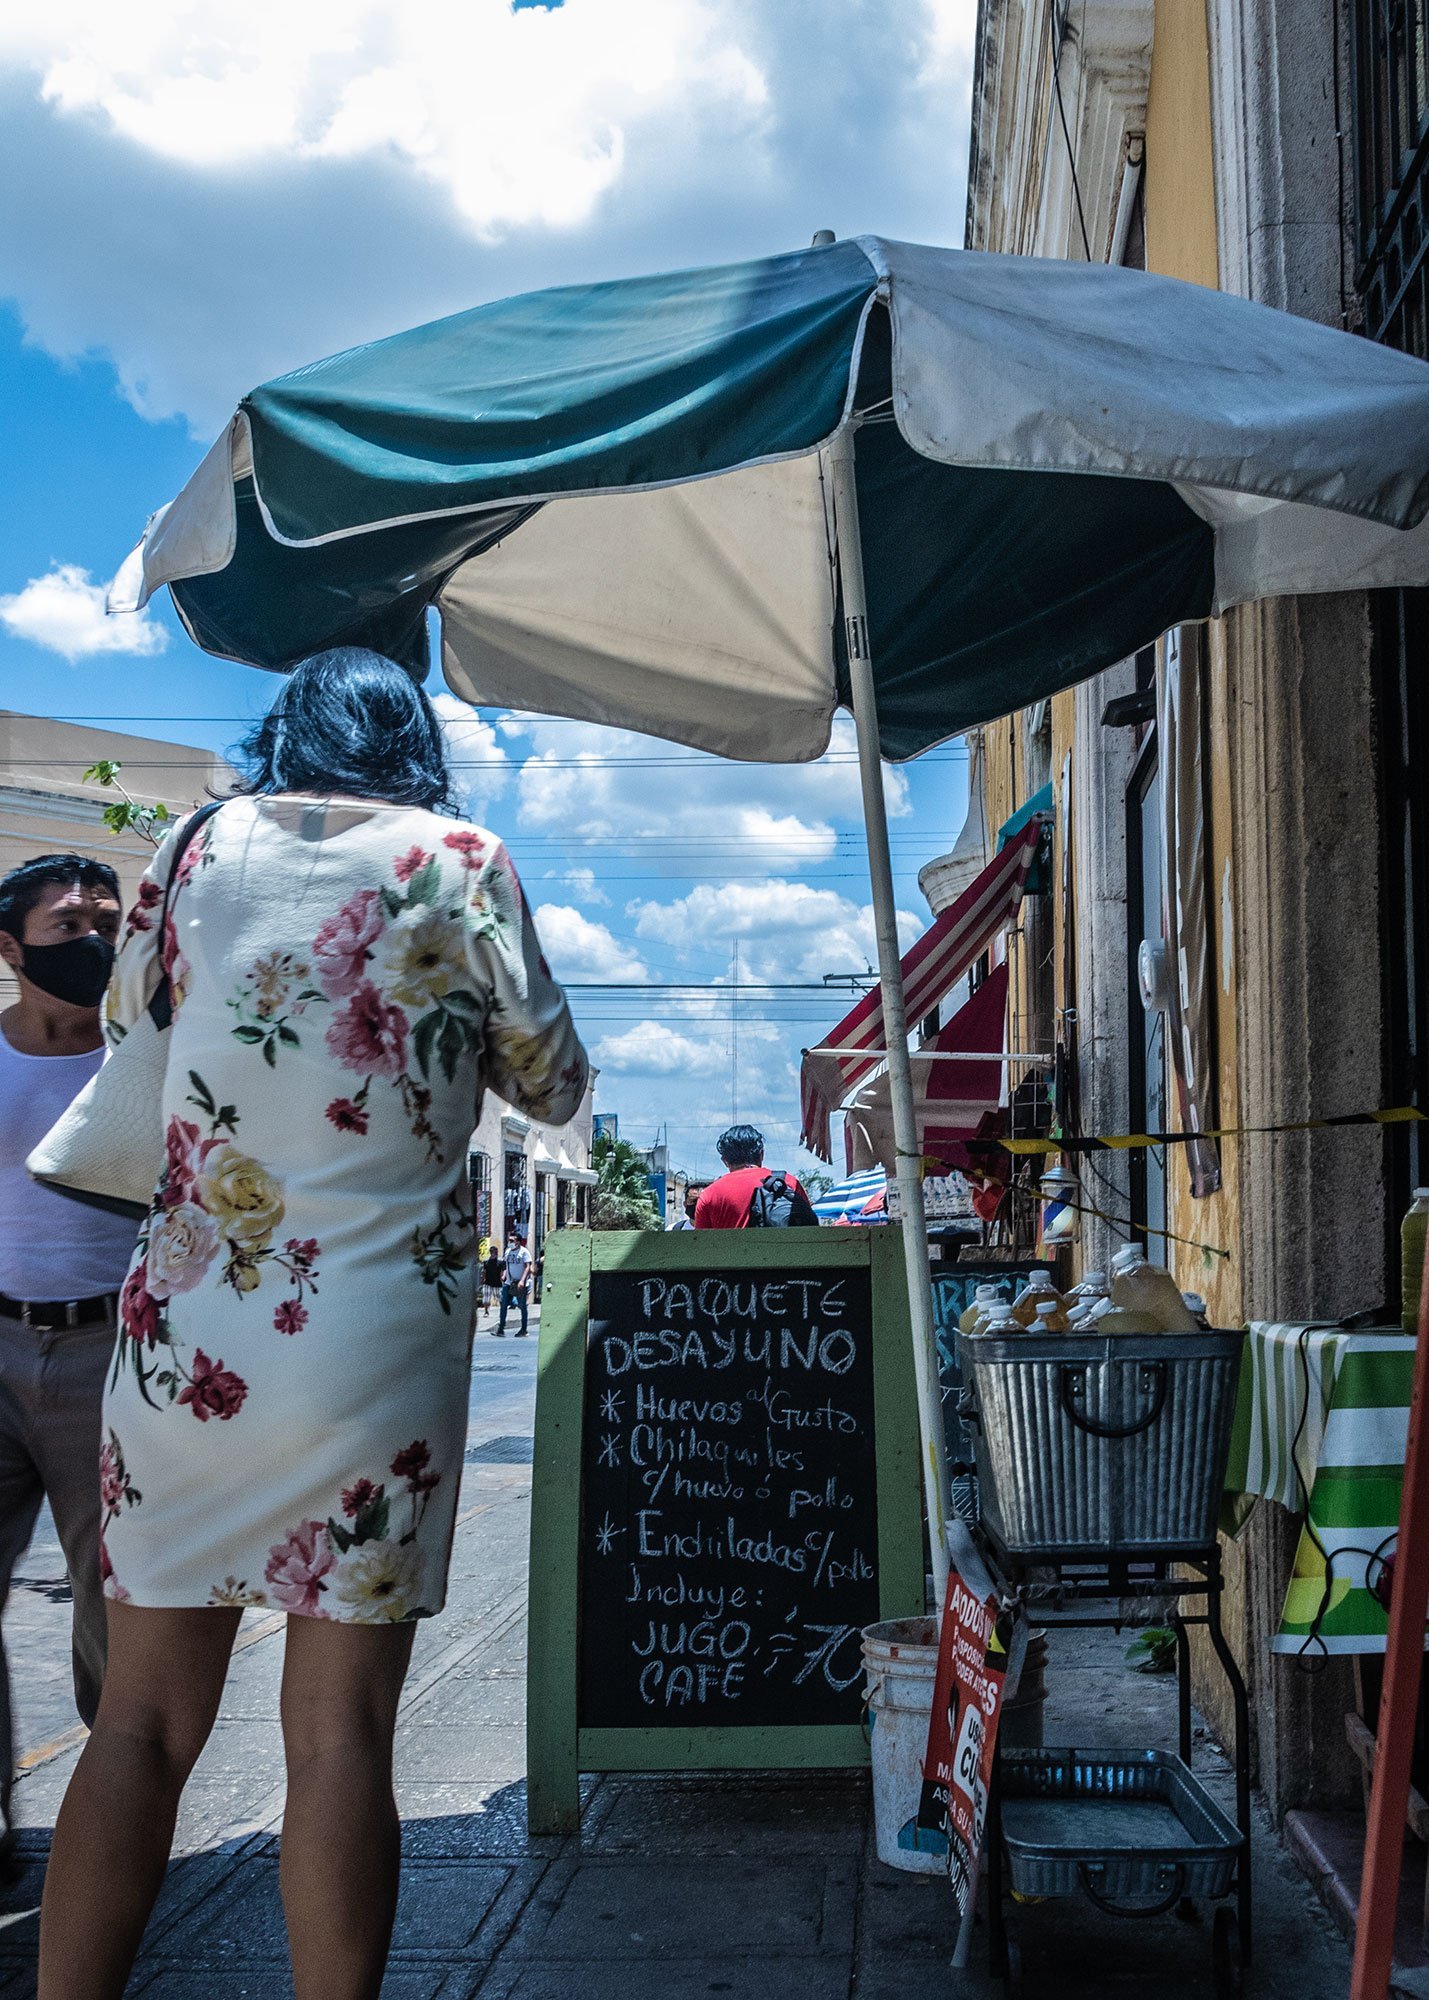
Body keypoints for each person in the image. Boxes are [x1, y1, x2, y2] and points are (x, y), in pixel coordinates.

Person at [38, 649, 588, 2000]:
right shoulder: (461, 861)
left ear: (285, 735)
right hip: (372, 1348)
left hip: (188, 1340)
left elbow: (128, 1017)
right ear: (413, 747)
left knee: (140, 1721)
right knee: (341, 1734)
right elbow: (553, 1081)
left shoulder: (194, 846)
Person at [0, 854, 135, 1882]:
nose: (92, 941)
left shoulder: (142, 1057)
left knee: (111, 1598)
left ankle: (117, 1814)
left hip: (111, 1349)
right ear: (10, 947)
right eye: (67, 926)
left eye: (106, 924)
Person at [693, 1125, 820, 1229]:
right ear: (761, 1154)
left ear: (725, 1161)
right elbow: (810, 1229)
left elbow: (701, 1244)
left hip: (731, 1253)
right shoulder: (788, 1182)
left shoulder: (710, 1194)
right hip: (784, 1253)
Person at [495, 1236, 532, 1337]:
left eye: (512, 1240)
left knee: (522, 1306)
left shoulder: (524, 1252)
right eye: (509, 1240)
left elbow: (527, 1267)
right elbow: (506, 1265)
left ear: (518, 1242)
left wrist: (522, 1280)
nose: (509, 1242)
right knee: (503, 1305)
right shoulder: (508, 1252)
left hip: (520, 1283)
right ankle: (501, 1329)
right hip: (509, 1283)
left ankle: (524, 1329)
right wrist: (504, 1274)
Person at [480, 1242, 503, 1319]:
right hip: (487, 1282)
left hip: (497, 1283)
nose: (493, 1254)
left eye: (495, 1252)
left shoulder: (500, 1262)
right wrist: (482, 1280)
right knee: (486, 1299)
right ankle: (486, 1311)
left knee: (500, 1298)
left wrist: (503, 1278)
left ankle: (502, 1311)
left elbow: (502, 1271)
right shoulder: (486, 1262)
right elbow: (484, 1271)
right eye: (492, 1252)